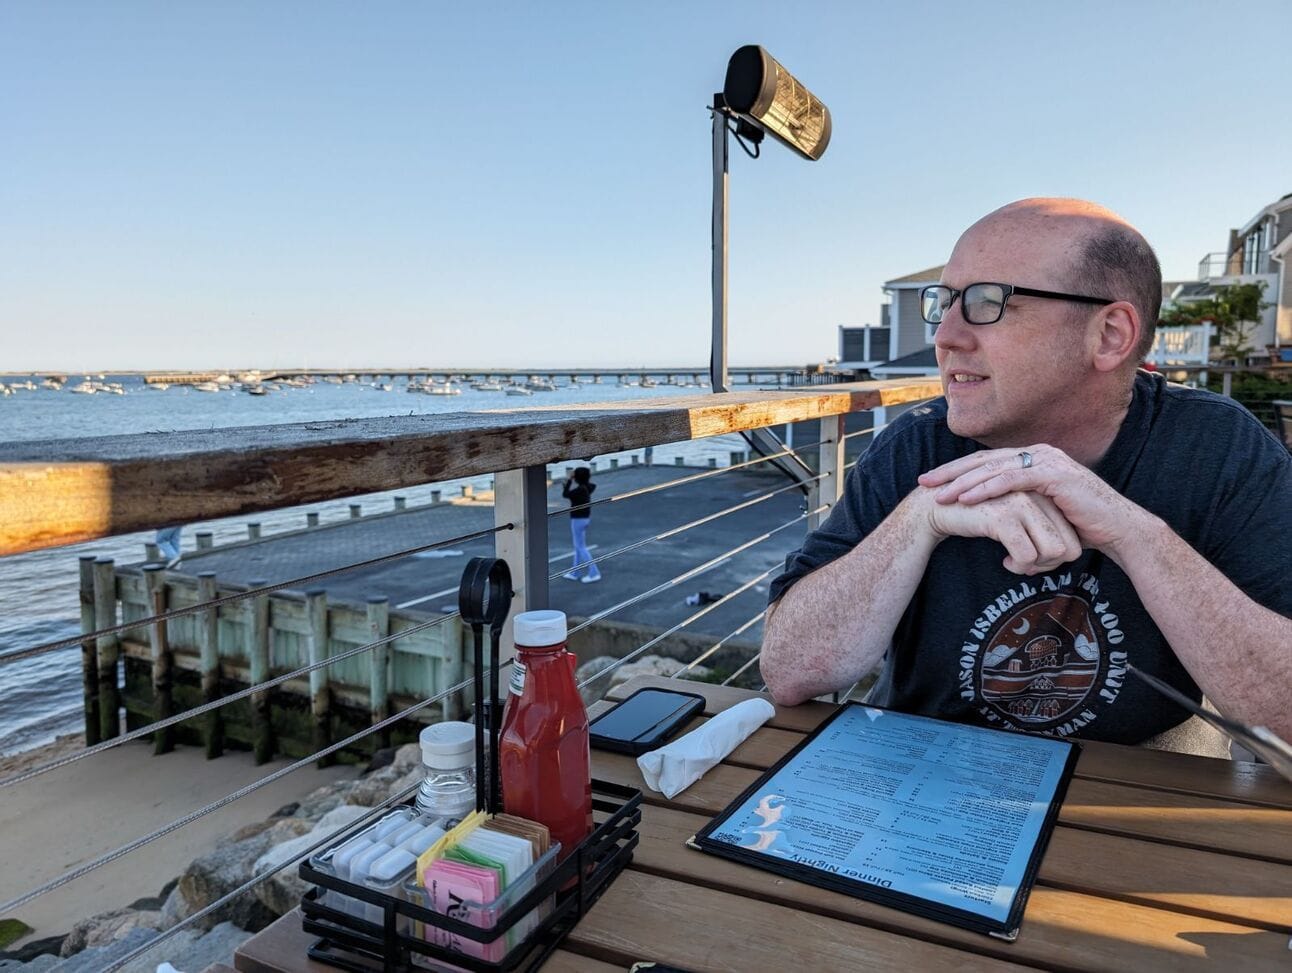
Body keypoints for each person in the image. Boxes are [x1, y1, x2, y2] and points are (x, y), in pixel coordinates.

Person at [760, 197, 1292, 754]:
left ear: (1110, 334)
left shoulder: (1215, 449)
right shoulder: (915, 447)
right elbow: (790, 672)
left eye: (990, 303)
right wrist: (919, 519)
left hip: (1133, 800)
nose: (945, 337)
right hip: (922, 785)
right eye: (944, 303)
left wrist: (1135, 536)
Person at [562, 466, 601, 583]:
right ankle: (575, 572)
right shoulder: (587, 487)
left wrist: (569, 481)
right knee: (578, 546)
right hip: (584, 519)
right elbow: (592, 485)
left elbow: (565, 494)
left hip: (577, 520)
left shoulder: (580, 490)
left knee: (580, 547)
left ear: (577, 478)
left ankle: (594, 573)